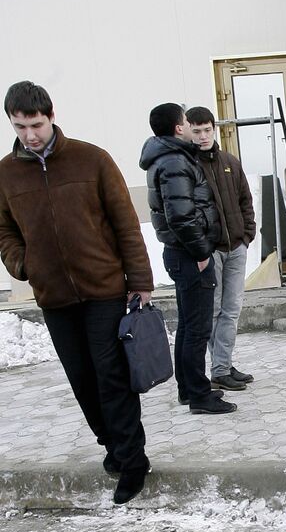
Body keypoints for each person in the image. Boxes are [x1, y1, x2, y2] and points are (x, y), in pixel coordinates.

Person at [0, 80, 154, 505]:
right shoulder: (6, 173)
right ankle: (112, 447)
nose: (29, 135)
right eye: (19, 126)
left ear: (51, 116)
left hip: (104, 288)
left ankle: (133, 461)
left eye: (35, 124)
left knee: (111, 376)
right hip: (53, 296)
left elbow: (125, 224)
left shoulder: (92, 159)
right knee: (81, 378)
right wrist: (24, 264)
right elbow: (4, 230)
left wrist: (139, 281)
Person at [139, 104, 234, 414]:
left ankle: (189, 388)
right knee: (197, 328)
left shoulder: (169, 158)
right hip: (189, 255)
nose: (192, 127)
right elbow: (181, 215)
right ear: (179, 128)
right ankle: (198, 395)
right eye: (186, 121)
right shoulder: (174, 161)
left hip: (182, 254)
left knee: (189, 325)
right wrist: (201, 253)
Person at [185, 106, 257, 392]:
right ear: (188, 130)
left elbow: (245, 199)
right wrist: (201, 246)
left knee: (232, 308)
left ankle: (222, 364)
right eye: (197, 130)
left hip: (236, 245)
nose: (203, 136)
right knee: (213, 310)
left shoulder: (229, 161)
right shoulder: (188, 165)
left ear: (214, 129)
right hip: (209, 249)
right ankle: (220, 368)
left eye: (207, 130)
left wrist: (248, 233)